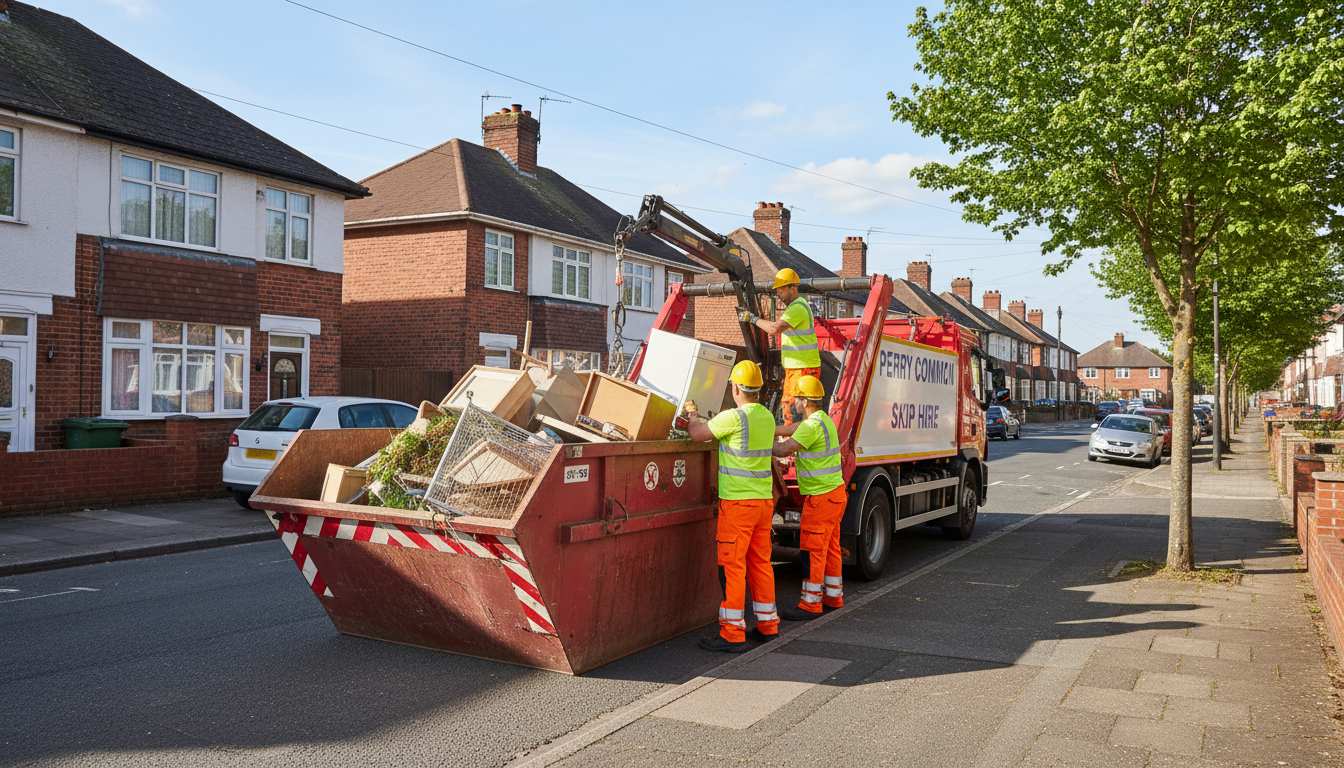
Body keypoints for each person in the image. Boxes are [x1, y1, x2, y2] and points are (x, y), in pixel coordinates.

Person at [685, 359, 780, 652]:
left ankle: (731, 633)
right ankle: (767, 626)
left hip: (738, 505)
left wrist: (692, 415)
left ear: (736, 387)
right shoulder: (766, 417)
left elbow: (698, 434)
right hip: (763, 504)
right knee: (760, 564)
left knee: (732, 568)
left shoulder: (733, 418)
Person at [772, 375, 845, 620]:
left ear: (804, 401)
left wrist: (755, 441)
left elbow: (783, 449)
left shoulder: (810, 427)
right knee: (831, 547)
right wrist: (766, 429)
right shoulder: (823, 420)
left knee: (812, 550)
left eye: (797, 400)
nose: (795, 404)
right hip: (835, 495)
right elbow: (792, 429)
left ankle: (811, 604)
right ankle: (834, 597)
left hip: (821, 499)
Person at [737, 268, 821, 426]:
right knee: (790, 408)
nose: (779, 296)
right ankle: (790, 444)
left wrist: (753, 319)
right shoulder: (796, 307)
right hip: (798, 369)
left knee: (793, 410)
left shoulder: (798, 307)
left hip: (802, 369)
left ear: (793, 288)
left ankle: (792, 445)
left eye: (781, 291)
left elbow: (775, 328)